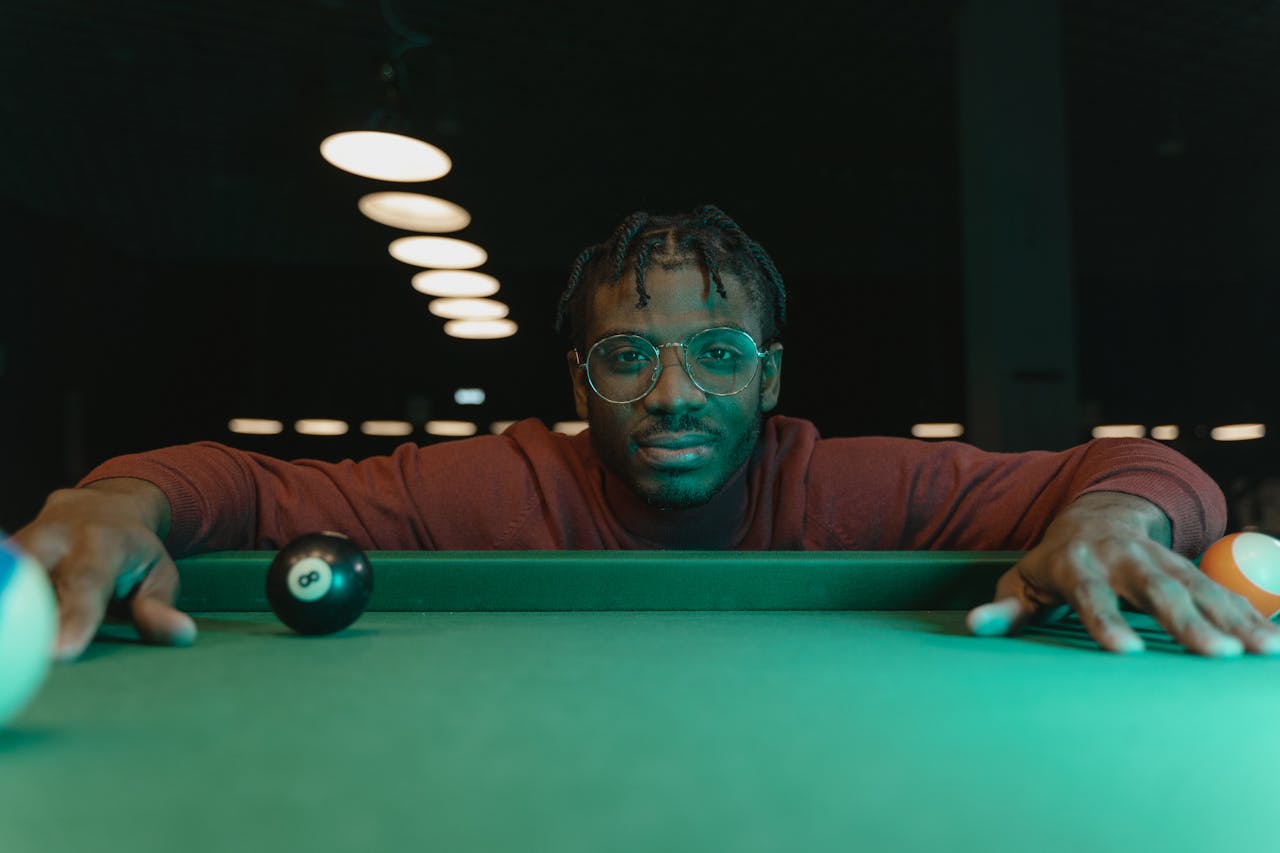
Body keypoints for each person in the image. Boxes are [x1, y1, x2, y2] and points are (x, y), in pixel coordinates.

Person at [12, 204, 1279, 662]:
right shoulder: (489, 484)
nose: (673, 392)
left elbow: (1140, 470)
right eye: (628, 355)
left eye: (717, 355)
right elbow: (241, 482)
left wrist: (1113, 520)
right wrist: (111, 503)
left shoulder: (853, 481)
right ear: (581, 377)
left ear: (767, 376)